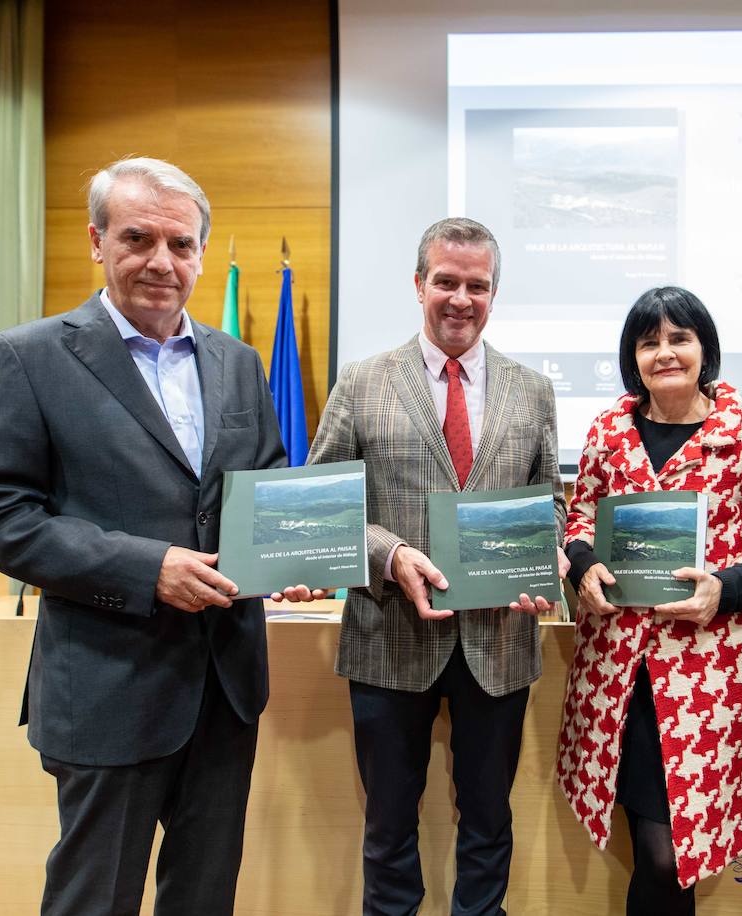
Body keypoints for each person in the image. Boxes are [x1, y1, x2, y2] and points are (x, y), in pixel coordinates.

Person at [0, 156, 312, 915]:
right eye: (138, 238)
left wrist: (286, 555)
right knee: (94, 901)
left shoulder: (239, 364)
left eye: (181, 245)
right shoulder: (30, 357)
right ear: (96, 240)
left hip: (225, 689)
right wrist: (148, 568)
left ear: (202, 255)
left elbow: (265, 491)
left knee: (203, 898)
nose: (161, 262)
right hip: (107, 688)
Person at [306, 217, 565, 916]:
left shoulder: (532, 390)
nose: (460, 298)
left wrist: (541, 561)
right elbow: (321, 506)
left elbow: (552, 504)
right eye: (445, 282)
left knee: (488, 825)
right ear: (418, 284)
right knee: (389, 829)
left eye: (476, 285)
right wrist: (389, 554)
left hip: (499, 643)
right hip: (389, 638)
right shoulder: (362, 383)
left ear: (494, 293)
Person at [556, 287, 742, 914]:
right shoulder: (609, 430)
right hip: (618, 670)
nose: (665, 353)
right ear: (632, 357)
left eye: (679, 338)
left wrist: (729, 586)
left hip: (705, 674)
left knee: (671, 855)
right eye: (648, 341)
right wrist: (582, 565)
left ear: (704, 349)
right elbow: (578, 518)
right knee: (650, 842)